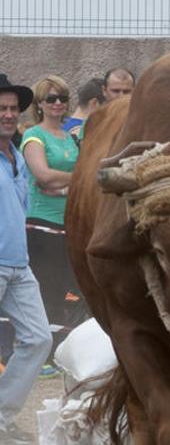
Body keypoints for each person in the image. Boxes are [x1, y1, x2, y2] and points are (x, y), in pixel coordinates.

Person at [0, 73, 54, 445]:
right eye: (1, 109)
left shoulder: (16, 155)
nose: (7, 115)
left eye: (12, 109)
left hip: (19, 266)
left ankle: (1, 415)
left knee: (38, 339)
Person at [20, 75, 82, 366]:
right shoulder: (34, 136)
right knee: (49, 290)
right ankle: (44, 359)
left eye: (62, 97)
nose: (58, 103)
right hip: (42, 225)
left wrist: (66, 186)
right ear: (39, 104)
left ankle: (64, 355)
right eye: (51, 98)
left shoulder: (71, 137)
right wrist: (78, 180)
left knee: (73, 291)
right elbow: (42, 175)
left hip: (71, 225)